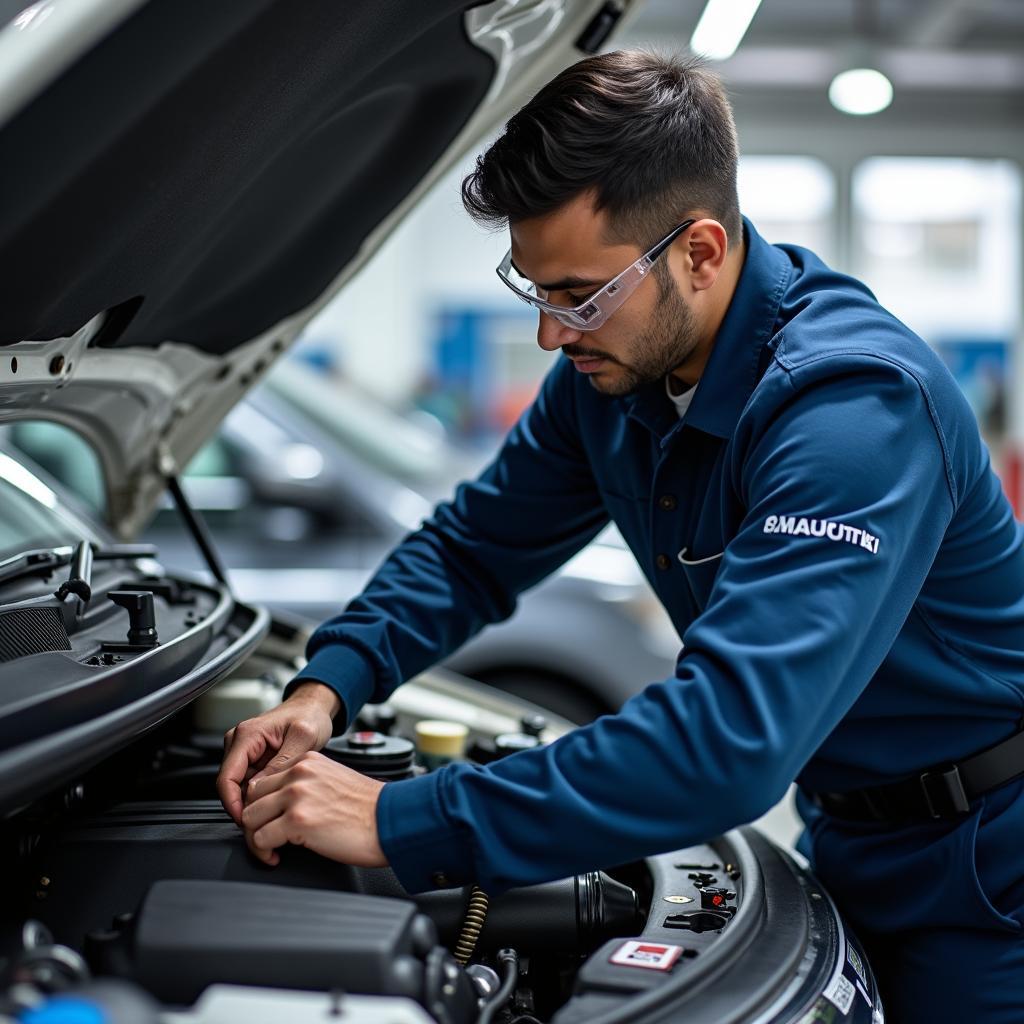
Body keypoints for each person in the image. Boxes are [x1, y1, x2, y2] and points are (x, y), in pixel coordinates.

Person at [217, 50, 1024, 1021]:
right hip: (852, 832)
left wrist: (397, 819)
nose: (555, 334)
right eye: (537, 291)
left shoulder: (852, 409)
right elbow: (473, 547)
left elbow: (726, 743)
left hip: (990, 871)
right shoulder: (613, 380)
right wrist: (327, 683)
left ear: (700, 251)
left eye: (581, 294)